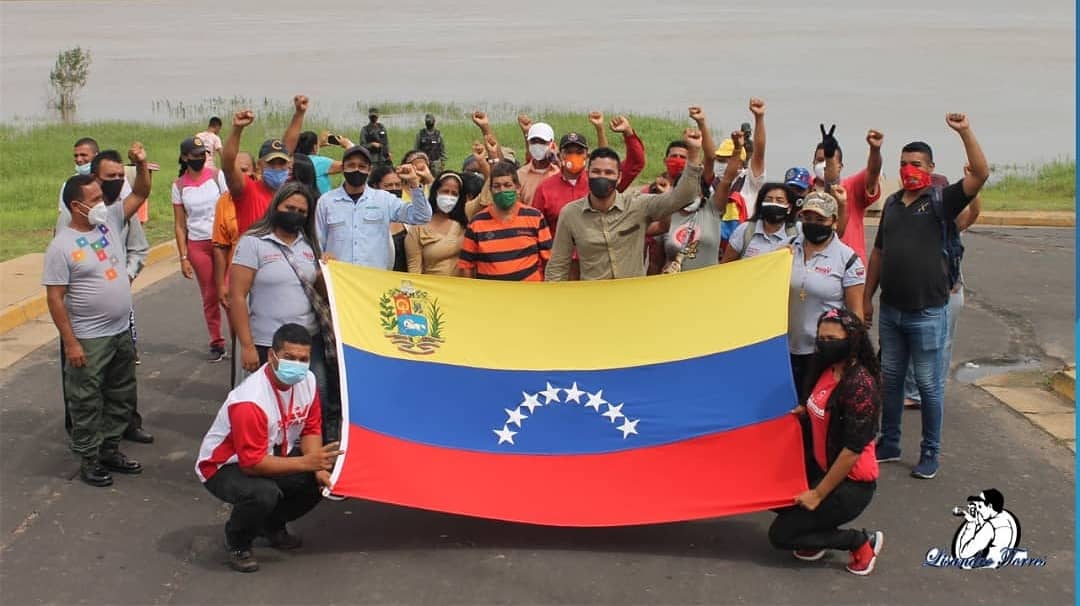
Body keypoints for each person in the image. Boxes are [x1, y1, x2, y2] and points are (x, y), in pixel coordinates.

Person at [864, 113, 989, 479]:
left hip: (927, 313)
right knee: (889, 380)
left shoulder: (941, 201)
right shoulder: (891, 205)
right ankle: (889, 442)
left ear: (931, 168)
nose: (908, 170)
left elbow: (980, 174)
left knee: (930, 386)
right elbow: (878, 253)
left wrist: (965, 131)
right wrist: (867, 298)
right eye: (903, 164)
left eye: (916, 164)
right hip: (891, 312)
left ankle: (930, 451)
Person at [195, 322, 343, 573]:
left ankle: (271, 525)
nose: (296, 365)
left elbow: (311, 428)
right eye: (289, 357)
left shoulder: (308, 381)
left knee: (327, 477)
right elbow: (252, 464)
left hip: (274, 455)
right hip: (225, 466)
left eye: (303, 359)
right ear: (272, 356)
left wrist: (317, 469)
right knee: (263, 494)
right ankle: (238, 541)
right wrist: (307, 463)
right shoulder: (250, 401)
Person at [44, 143, 151, 487]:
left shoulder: (111, 221)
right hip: (88, 338)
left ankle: (111, 449)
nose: (101, 204)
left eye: (102, 198)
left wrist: (142, 163)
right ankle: (89, 459)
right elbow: (55, 299)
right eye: (94, 200)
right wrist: (71, 343)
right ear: (76, 206)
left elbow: (143, 191)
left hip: (120, 331)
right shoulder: (61, 246)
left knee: (120, 394)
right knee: (87, 400)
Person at [770, 308, 883, 576]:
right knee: (771, 492)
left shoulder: (860, 386)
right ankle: (813, 532)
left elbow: (852, 451)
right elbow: (822, 408)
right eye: (821, 338)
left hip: (852, 484)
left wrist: (818, 494)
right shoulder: (827, 369)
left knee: (780, 535)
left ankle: (859, 541)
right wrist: (804, 413)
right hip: (823, 469)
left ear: (852, 339)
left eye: (832, 339)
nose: (825, 344)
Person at [229, 182, 341, 442]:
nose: (295, 214)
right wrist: (245, 345)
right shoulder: (253, 243)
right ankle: (266, 456)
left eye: (302, 211)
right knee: (268, 405)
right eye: (289, 207)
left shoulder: (310, 245)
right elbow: (236, 296)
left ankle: (313, 460)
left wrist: (327, 271)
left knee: (316, 401)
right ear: (276, 206)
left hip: (308, 342)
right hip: (267, 342)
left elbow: (320, 293)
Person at [545, 129, 705, 281]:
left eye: (609, 173)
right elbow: (558, 265)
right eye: (596, 172)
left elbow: (684, 196)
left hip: (632, 298)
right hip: (594, 298)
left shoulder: (638, 205)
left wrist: (694, 153)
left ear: (619, 177)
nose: (602, 177)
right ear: (588, 174)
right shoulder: (571, 214)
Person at [903, 168, 982, 410]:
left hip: (950, 292)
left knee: (941, 343)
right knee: (916, 341)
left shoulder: (953, 223)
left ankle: (926, 392)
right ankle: (915, 390)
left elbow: (974, 213)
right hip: (923, 291)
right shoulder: (916, 220)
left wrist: (974, 189)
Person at [788, 190, 865, 397]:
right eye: (808, 218)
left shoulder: (848, 260)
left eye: (820, 219)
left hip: (823, 353)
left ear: (833, 221)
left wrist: (852, 359)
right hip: (785, 351)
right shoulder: (786, 250)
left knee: (815, 413)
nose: (812, 223)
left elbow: (855, 314)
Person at [315, 145, 432, 269]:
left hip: (373, 281)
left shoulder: (384, 200)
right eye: (351, 165)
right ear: (343, 168)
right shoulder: (326, 201)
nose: (356, 170)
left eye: (362, 166)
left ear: (369, 170)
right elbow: (318, 241)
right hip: (340, 281)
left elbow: (422, 217)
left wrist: (414, 183)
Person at [173, 136, 231, 362]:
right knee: (209, 294)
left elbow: (229, 206)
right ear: (185, 158)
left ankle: (239, 337)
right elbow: (179, 224)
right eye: (194, 156)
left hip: (222, 243)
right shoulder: (179, 186)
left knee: (226, 290)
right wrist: (183, 256)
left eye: (203, 155)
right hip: (198, 245)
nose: (199, 159)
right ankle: (217, 342)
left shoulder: (217, 178)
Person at [223, 95, 308, 234]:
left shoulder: (289, 195)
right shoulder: (247, 190)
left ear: (289, 164)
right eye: (271, 163)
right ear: (259, 166)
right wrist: (237, 129)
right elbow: (228, 165)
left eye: (282, 164)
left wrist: (299, 113)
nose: (277, 168)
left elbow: (288, 147)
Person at [457, 160, 552, 280]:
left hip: (529, 294)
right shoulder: (476, 223)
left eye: (507, 185)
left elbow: (549, 259)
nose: (502, 190)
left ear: (517, 188)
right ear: (490, 190)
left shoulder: (536, 217)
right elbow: (466, 266)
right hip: (493, 296)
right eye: (497, 186)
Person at [815, 126, 884, 262]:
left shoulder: (852, 186)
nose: (825, 165)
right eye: (820, 160)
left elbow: (873, 172)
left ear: (840, 166)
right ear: (813, 162)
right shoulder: (805, 190)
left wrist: (875, 150)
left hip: (850, 267)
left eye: (829, 159)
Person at [406, 170, 472, 275]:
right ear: (436, 192)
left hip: (463, 288)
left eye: (454, 194)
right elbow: (414, 270)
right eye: (445, 191)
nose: (449, 197)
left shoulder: (464, 223)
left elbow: (485, 198)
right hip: (432, 289)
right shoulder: (417, 230)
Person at [720, 178, 800, 263]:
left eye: (779, 200)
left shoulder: (795, 235)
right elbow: (725, 265)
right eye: (768, 200)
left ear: (789, 208)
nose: (773, 203)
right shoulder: (746, 230)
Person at [713, 97, 768, 219]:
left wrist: (759, 118)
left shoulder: (750, 180)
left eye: (728, 160)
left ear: (740, 163)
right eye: (720, 160)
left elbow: (759, 154)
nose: (723, 164)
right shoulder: (711, 184)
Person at [366, 164, 410, 272]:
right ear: (375, 186)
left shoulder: (407, 212)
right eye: (388, 185)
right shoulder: (366, 215)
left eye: (398, 185)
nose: (394, 189)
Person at [294, 131, 350, 196]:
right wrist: (348, 145)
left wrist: (318, 144)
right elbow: (347, 165)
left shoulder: (295, 160)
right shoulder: (320, 162)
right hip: (321, 203)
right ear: (314, 148)